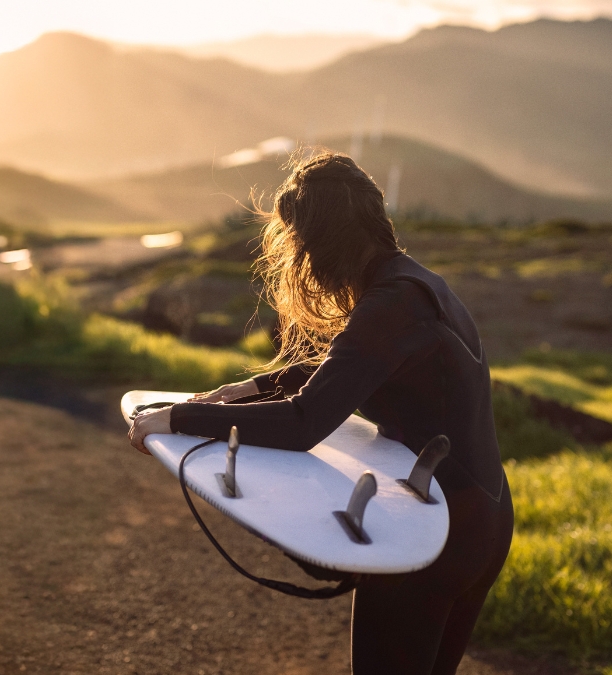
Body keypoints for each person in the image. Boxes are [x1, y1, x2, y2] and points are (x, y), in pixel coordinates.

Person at [128, 151, 514, 675]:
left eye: (300, 245)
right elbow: (350, 364)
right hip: (481, 520)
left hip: (434, 528)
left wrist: (176, 420)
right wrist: (247, 388)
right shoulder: (415, 284)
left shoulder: (391, 303)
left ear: (323, 241)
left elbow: (304, 423)